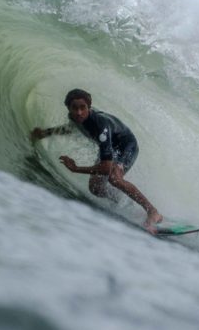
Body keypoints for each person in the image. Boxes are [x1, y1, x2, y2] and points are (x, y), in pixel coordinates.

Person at [31, 89, 163, 233]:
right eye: (75, 108)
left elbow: (106, 168)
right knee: (95, 188)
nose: (79, 112)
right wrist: (46, 133)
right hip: (109, 146)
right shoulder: (75, 118)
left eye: (83, 108)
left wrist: (76, 168)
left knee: (114, 178)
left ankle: (152, 211)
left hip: (126, 145)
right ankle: (123, 203)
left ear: (89, 107)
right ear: (68, 108)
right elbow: (71, 128)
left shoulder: (100, 126)